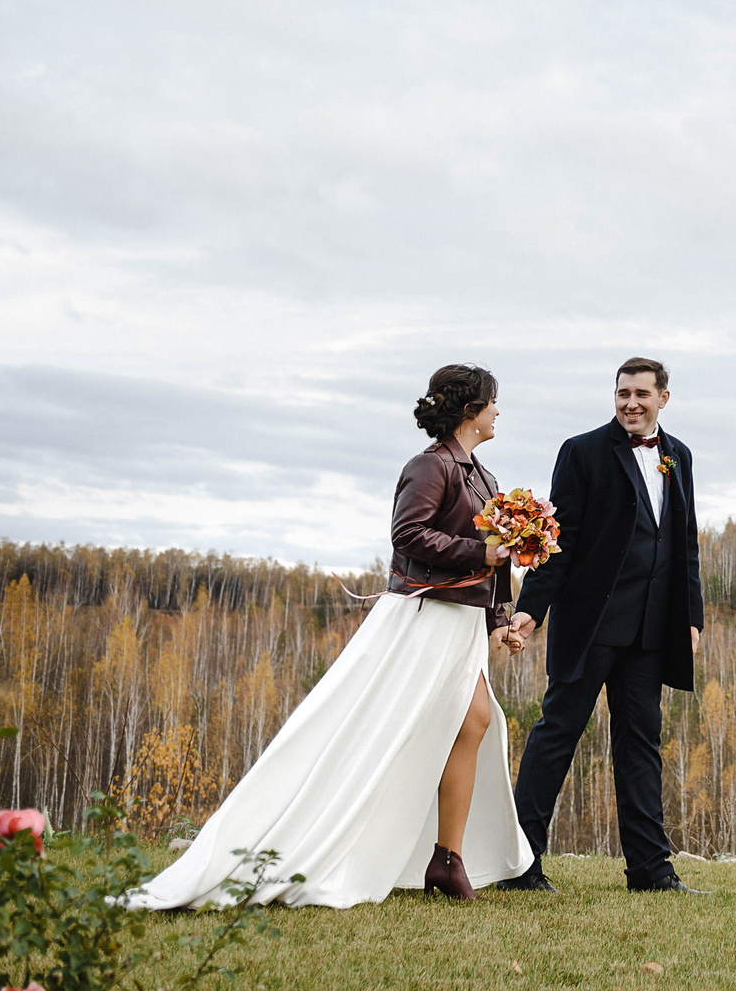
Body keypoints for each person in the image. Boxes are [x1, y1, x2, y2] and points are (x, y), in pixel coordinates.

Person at [126, 364, 532, 908]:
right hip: (423, 621)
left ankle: (447, 857)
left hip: (462, 624)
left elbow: (497, 561)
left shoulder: (484, 477)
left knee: (477, 721)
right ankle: (362, 839)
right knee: (383, 731)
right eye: (493, 402)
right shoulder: (430, 466)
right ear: (470, 409)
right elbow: (408, 535)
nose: (498, 411)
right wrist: (479, 553)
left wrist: (502, 620)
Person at [496, 356, 705, 893]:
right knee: (556, 736)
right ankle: (519, 866)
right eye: (621, 394)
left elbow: (686, 545)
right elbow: (556, 543)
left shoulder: (677, 456)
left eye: (640, 393)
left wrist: (691, 618)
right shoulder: (582, 451)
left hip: (651, 630)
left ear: (663, 397)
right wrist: (531, 608)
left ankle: (651, 870)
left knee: (641, 744)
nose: (630, 403)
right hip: (589, 626)